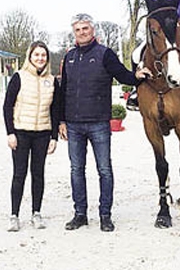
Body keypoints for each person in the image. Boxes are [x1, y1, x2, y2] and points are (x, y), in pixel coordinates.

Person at [59, 13, 152, 232]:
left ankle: (105, 215)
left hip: (99, 122)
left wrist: (139, 75)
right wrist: (61, 121)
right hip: (73, 123)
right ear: (74, 32)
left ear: (93, 30)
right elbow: (63, 91)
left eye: (85, 29)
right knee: (76, 170)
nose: (82, 33)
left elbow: (123, 76)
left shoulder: (105, 54)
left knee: (104, 170)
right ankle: (80, 214)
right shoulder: (69, 57)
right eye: (78, 30)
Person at [3, 41, 60, 232]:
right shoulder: (19, 77)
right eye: (36, 55)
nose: (40, 58)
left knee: (38, 174)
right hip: (21, 132)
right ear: (30, 56)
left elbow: (55, 110)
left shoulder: (52, 81)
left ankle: (36, 212)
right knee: (19, 174)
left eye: (43, 55)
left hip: (42, 134)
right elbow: (7, 106)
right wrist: (10, 132)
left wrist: (54, 137)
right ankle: (14, 215)